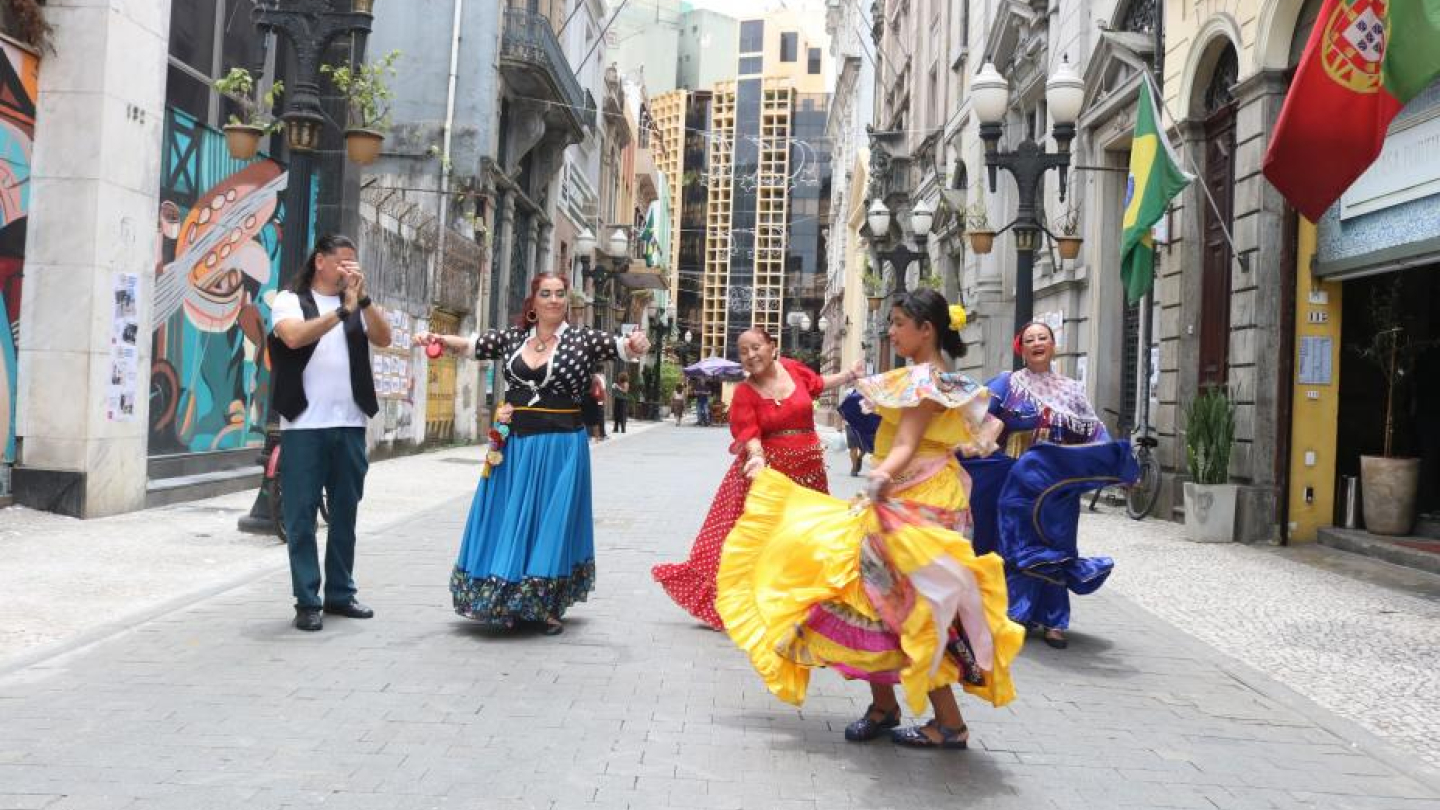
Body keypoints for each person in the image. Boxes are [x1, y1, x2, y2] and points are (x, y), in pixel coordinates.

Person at [716, 290, 1023, 750]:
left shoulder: (925, 381)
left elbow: (906, 443)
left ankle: (948, 722)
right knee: (874, 597)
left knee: (910, 605)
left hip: (916, 500)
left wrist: (879, 476)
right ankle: (887, 706)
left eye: (899, 323)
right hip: (912, 493)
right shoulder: (924, 377)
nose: (892, 331)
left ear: (927, 329)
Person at [415, 273, 649, 635]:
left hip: (561, 445)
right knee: (511, 515)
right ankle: (508, 595)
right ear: (534, 300)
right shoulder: (512, 338)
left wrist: (638, 342)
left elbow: (625, 346)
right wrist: (437, 339)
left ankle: (545, 605)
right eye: (546, 294)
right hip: (516, 445)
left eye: (560, 294)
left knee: (550, 521)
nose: (554, 300)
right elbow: (471, 345)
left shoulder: (583, 339)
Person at [652, 328, 862, 630]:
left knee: (807, 537)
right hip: (766, 477)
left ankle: (801, 604)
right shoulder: (745, 393)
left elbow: (817, 384)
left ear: (772, 347)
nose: (751, 355)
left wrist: (848, 375)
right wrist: (757, 457)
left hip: (809, 474)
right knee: (756, 541)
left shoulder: (793, 369)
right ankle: (743, 604)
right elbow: (749, 433)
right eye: (744, 352)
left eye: (756, 347)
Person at [967, 321, 1125, 650]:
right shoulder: (1006, 384)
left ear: (1054, 346)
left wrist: (1118, 465)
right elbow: (975, 419)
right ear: (1020, 349)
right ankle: (1014, 613)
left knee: (1058, 549)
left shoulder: (1072, 391)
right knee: (1017, 547)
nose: (1037, 343)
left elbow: (1095, 433)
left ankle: (1054, 620)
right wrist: (988, 443)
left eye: (1043, 338)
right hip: (1017, 485)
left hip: (1057, 489)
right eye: (1030, 339)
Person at [268, 234, 393, 632]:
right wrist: (341, 313)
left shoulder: (357, 302)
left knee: (345, 512)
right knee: (301, 514)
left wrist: (364, 301)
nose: (349, 270)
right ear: (320, 261)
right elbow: (292, 336)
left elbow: (385, 338)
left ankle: (341, 593)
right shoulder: (290, 299)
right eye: (343, 262)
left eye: (354, 263)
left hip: (351, 422)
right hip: (304, 424)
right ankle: (308, 600)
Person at [582, 372, 607, 442]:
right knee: (595, 421)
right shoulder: (597, 379)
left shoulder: (583, 378)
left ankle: (587, 436)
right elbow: (601, 391)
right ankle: (597, 438)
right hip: (594, 401)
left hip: (585, 400)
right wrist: (603, 401)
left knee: (585, 419)